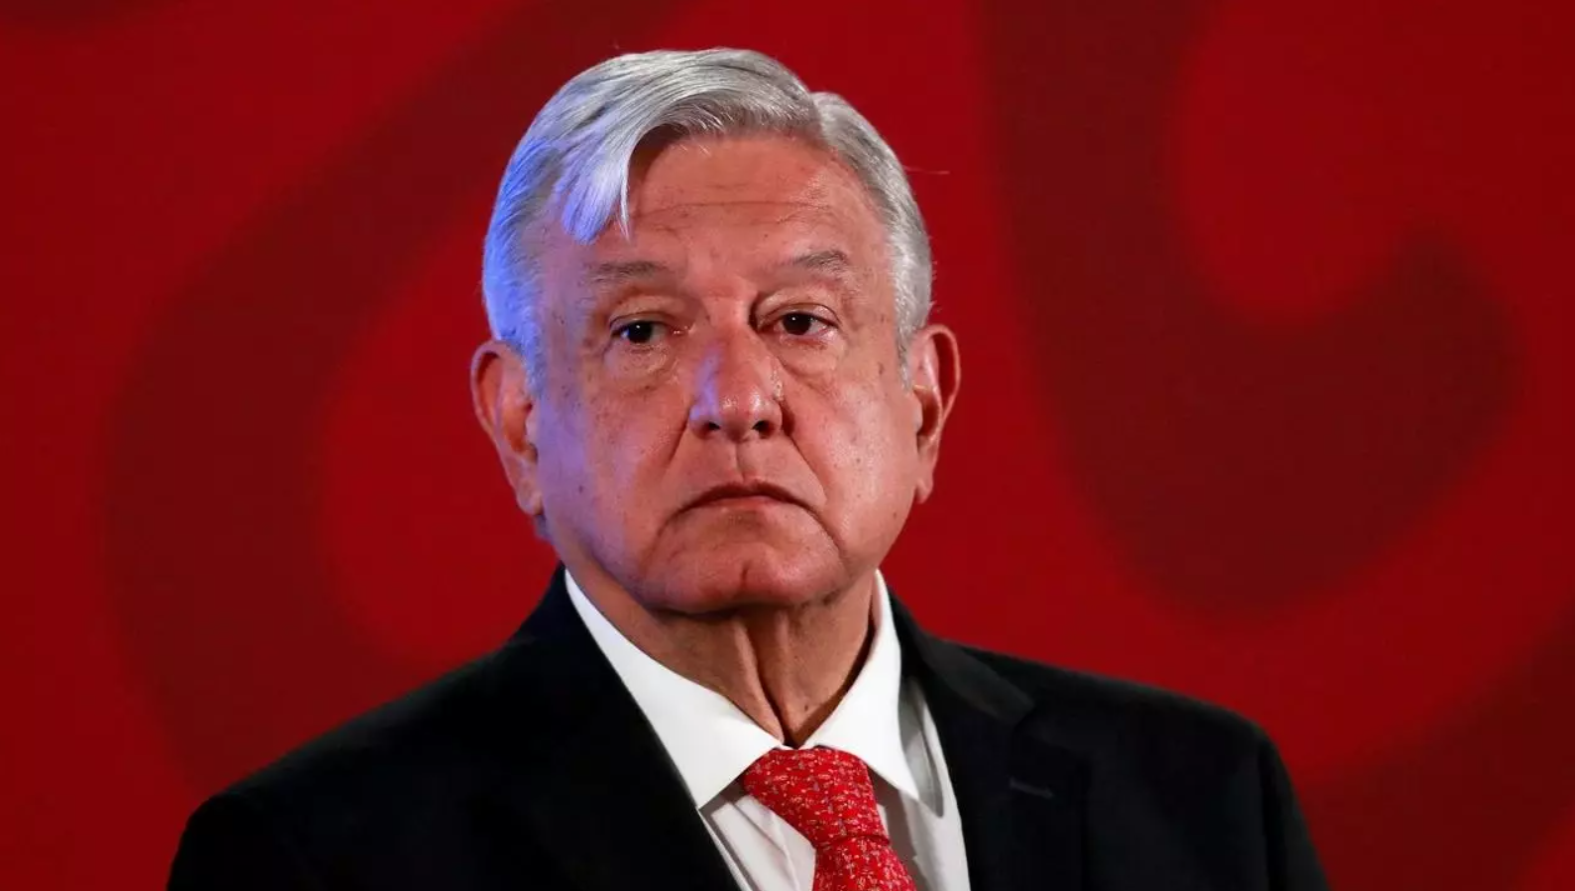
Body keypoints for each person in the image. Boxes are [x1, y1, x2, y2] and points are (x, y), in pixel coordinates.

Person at [168, 48, 1328, 891]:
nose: (738, 401)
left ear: (923, 403)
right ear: (520, 426)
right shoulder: (318, 859)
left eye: (801, 320)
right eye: (643, 331)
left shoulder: (1206, 803)